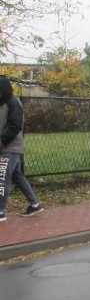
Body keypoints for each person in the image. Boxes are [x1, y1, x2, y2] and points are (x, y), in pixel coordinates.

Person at [0, 76, 43, 221]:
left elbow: (15, 126)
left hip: (9, 147)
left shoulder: (13, 102)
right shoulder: (4, 102)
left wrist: (2, 142)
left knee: (2, 179)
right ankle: (35, 204)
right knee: (17, 177)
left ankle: (0, 212)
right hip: (8, 147)